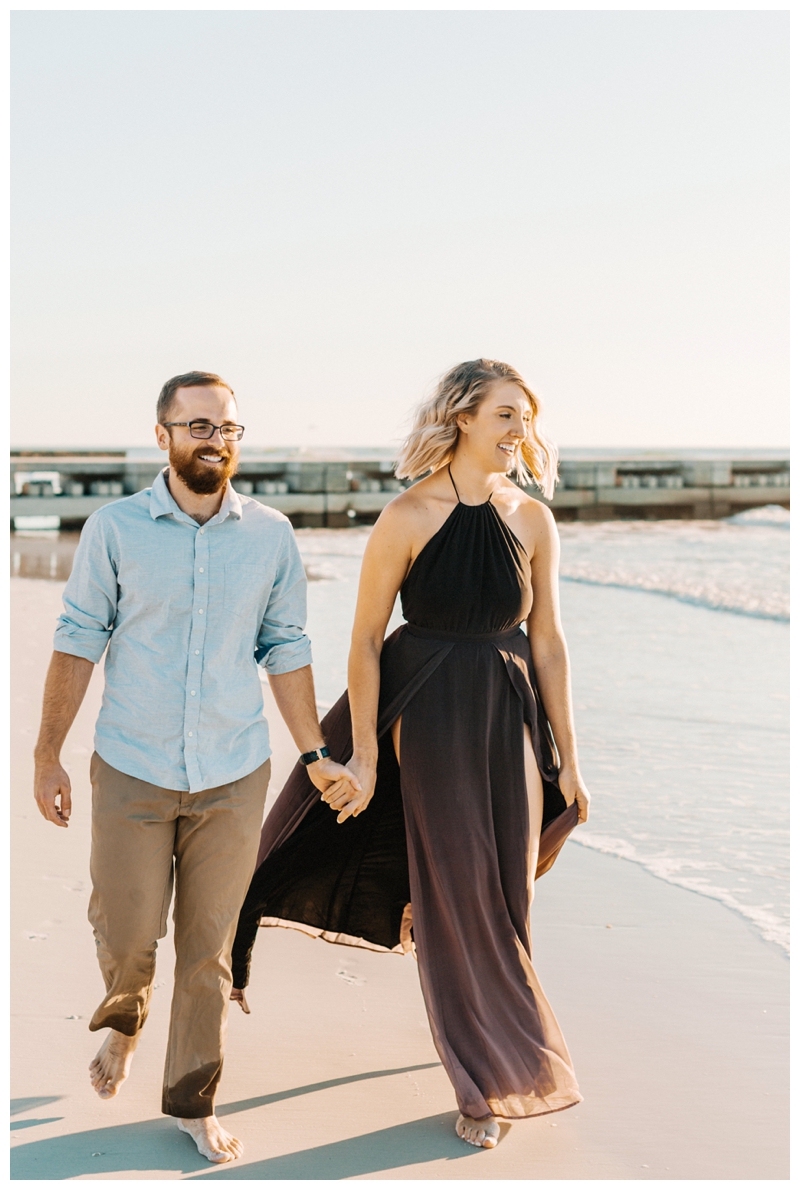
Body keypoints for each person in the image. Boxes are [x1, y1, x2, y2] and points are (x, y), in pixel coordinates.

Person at [230, 358, 591, 1150]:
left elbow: (550, 643)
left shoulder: (532, 519)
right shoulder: (409, 513)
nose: (519, 433)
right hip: (426, 714)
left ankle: (471, 1005)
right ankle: (486, 1082)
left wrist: (570, 755)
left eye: (525, 418)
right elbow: (363, 640)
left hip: (510, 717)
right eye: (505, 416)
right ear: (461, 417)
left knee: (504, 893)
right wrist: (364, 754)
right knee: (462, 891)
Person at [32, 370, 359, 1164]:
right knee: (128, 929)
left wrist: (313, 752)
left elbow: (285, 648)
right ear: (164, 435)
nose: (217, 439)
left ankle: (192, 1098)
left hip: (232, 769)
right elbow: (79, 638)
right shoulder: (115, 529)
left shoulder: (269, 535)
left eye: (229, 428)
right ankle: (125, 1017)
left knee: (208, 948)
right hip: (134, 765)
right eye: (200, 425)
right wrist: (48, 753)